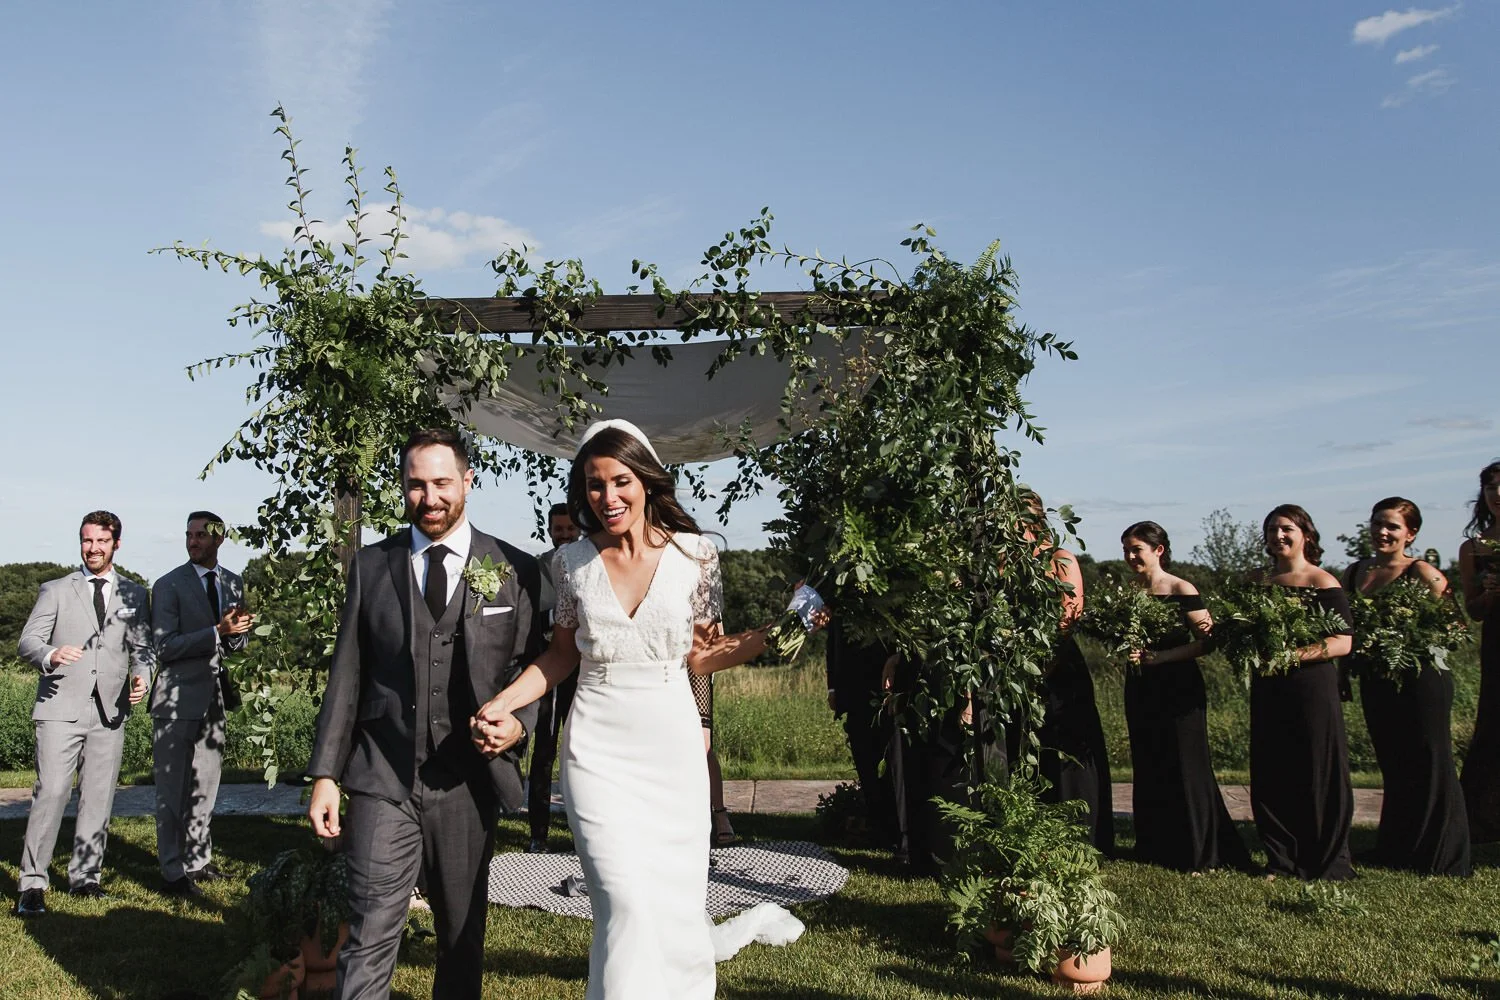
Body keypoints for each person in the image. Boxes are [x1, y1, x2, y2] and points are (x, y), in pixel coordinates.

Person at [471, 419, 772, 1000]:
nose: (607, 498)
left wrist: (782, 632)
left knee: (677, 906)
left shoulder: (696, 556)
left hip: (672, 747)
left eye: (619, 482)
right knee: (623, 900)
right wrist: (502, 703)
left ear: (647, 480)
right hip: (597, 752)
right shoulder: (570, 564)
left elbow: (704, 657)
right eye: (593, 485)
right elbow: (559, 658)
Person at [306, 427, 542, 999]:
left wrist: (520, 724)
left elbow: (534, 669)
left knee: (461, 938)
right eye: (416, 485)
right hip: (382, 775)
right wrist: (325, 775)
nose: (429, 497)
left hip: (467, 780)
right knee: (369, 932)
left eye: (441, 483)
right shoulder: (371, 565)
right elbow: (349, 674)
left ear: (468, 480)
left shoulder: (517, 569)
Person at [13, 511, 153, 915]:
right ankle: (32, 885)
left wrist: (143, 675)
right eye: (86, 541)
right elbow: (28, 641)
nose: (93, 548)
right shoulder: (56, 590)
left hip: (111, 713)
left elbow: (142, 648)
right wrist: (51, 654)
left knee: (98, 798)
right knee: (52, 793)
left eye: (101, 542)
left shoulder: (135, 594)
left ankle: (85, 878)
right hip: (60, 708)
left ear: (116, 545)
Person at [1341, 498, 1469, 875]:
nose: (1383, 532)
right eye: (1378, 523)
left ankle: (1443, 855)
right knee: (1394, 764)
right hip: (1375, 679)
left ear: (1410, 534)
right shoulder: (1354, 573)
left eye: (1393, 526)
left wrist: (1405, 639)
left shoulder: (1421, 571)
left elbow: (1456, 626)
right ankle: (1396, 847)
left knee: (1430, 761)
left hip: (1421, 679)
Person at [1119, 521, 1249, 872]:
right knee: (1150, 760)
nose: (1130, 557)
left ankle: (1199, 849)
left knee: (1186, 763)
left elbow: (1209, 640)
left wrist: (1162, 657)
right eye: (1126, 550)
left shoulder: (1181, 587)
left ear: (1158, 550)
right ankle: (1155, 843)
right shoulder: (1129, 590)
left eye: (1137, 550)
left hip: (1179, 686)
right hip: (1141, 685)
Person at [1249, 504, 1354, 880]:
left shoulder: (1322, 581)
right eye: (1272, 530)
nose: (1278, 536)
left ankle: (1326, 857)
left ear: (1306, 534)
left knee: (1316, 767)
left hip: (1311, 686)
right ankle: (1280, 858)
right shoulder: (1257, 581)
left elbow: (1342, 642)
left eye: (1287, 529)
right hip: (1267, 684)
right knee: (1271, 767)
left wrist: (1289, 655)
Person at [151, 510, 253, 896]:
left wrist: (236, 633)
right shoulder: (168, 585)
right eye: (189, 534)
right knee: (173, 790)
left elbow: (235, 644)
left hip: (215, 700)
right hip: (175, 700)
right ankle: (172, 871)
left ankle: (198, 859)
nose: (193, 541)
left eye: (201, 536)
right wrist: (216, 630)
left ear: (219, 539)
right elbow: (165, 646)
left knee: (206, 786)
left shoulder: (232, 581)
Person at [1007, 495, 1114, 855]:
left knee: (1066, 747)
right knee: (1029, 744)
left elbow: (1069, 615)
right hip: (1019, 666)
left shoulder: (1060, 558)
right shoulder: (1009, 562)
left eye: (1019, 518)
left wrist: (1043, 664)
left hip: (1058, 663)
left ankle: (1080, 834)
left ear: (1037, 519)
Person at [526, 502, 581, 853]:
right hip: (547, 667)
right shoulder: (536, 569)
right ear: (549, 531)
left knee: (579, 752)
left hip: (581, 669)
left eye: (569, 529)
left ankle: (582, 833)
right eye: (558, 530)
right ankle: (538, 833)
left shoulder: (590, 563)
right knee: (543, 751)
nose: (564, 535)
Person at [825, 618, 899, 849]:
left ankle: (895, 829)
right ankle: (879, 826)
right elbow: (833, 640)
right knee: (864, 759)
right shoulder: (842, 598)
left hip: (887, 682)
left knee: (892, 758)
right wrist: (833, 686)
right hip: (853, 686)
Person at [1459, 460, 1500, 843]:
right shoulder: (1474, 548)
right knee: (1494, 723)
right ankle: (1485, 820)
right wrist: (1488, 593)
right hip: (1497, 642)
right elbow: (1471, 611)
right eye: (1490, 487)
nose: (1498, 495)